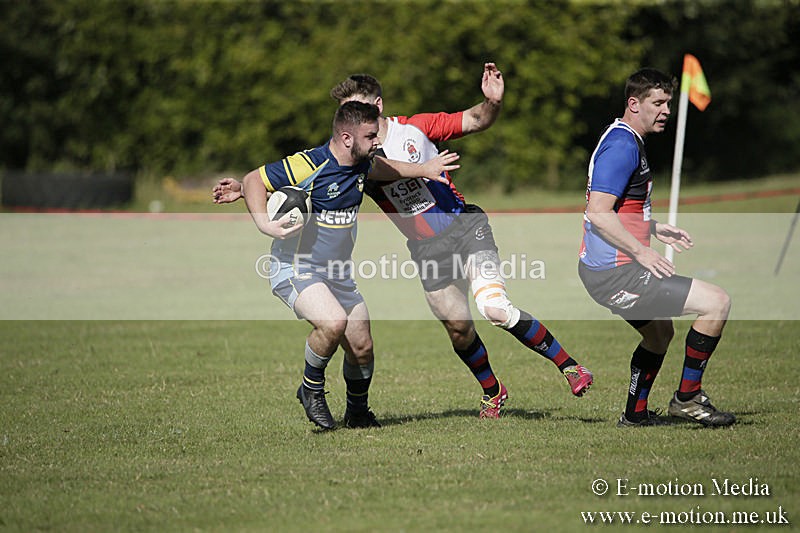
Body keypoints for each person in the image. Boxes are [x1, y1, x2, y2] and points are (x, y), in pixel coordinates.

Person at [215, 63, 593, 419]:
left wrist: (492, 102)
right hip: (427, 249)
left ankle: (569, 366)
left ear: (378, 106)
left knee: (493, 307)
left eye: (360, 111)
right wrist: (247, 188)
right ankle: (493, 391)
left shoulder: (415, 128)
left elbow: (475, 120)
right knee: (458, 327)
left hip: (465, 227)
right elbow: (309, 174)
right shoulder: (354, 152)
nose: (354, 121)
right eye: (347, 115)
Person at [234, 101, 459, 430]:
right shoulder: (309, 163)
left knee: (362, 345)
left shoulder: (363, 163)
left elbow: (385, 169)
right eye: (370, 136)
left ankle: (357, 412)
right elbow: (254, 179)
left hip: (336, 274)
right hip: (295, 266)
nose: (377, 142)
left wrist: (424, 169)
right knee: (333, 322)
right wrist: (263, 223)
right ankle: (311, 389)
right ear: (346, 138)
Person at [578, 68, 735, 427]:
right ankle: (688, 398)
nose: (666, 110)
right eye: (658, 103)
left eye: (668, 102)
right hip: (617, 274)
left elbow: (616, 208)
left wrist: (652, 227)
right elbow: (598, 214)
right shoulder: (621, 146)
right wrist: (641, 250)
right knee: (716, 302)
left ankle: (635, 415)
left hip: (606, 271)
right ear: (634, 104)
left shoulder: (626, 139)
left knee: (659, 332)